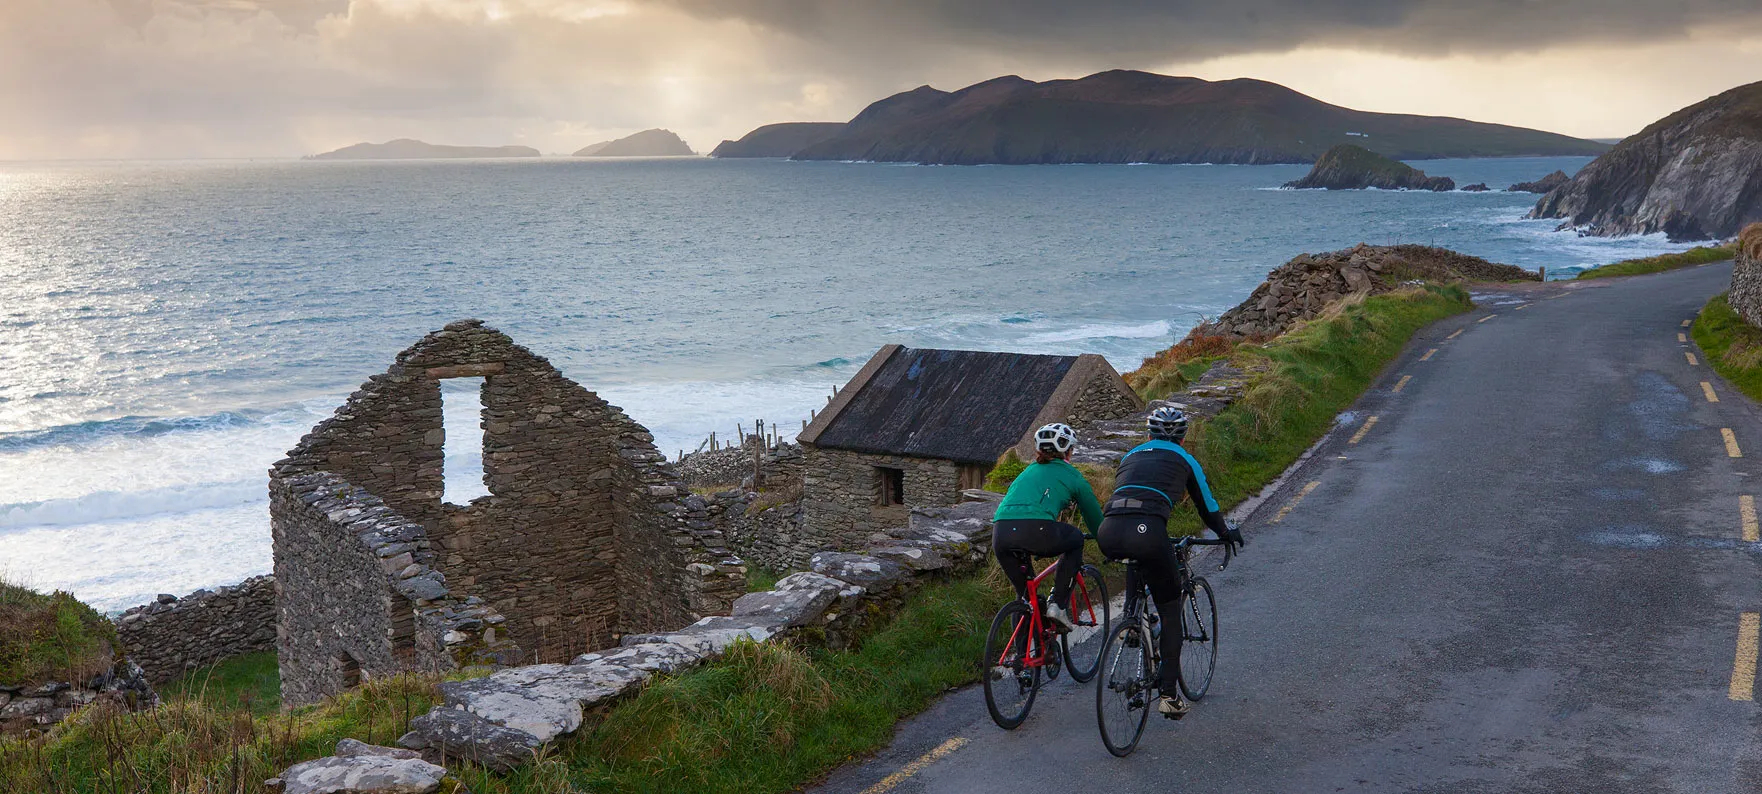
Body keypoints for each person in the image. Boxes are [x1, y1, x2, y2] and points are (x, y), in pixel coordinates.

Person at [1096, 405, 1245, 720]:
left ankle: (1131, 622)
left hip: (1108, 530)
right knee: (1170, 608)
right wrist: (1225, 533)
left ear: (1149, 434)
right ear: (1183, 437)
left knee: (1138, 559)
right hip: (1148, 530)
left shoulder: (1130, 455)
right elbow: (1207, 506)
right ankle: (1168, 695)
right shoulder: (1185, 459)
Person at [992, 423, 1104, 632]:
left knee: (1026, 598)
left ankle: (1025, 652)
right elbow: (1094, 517)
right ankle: (1058, 605)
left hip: (1001, 533)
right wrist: (1106, 542)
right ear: (1068, 451)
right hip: (1036, 530)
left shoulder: (1028, 471)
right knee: (1076, 538)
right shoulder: (1073, 475)